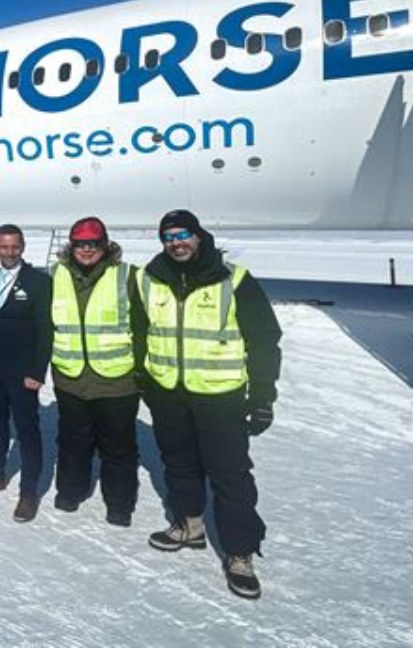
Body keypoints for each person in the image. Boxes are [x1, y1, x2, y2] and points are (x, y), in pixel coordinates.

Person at [132, 209, 281, 600]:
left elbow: (264, 340)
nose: (176, 243)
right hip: (168, 392)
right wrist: (144, 378)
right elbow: (139, 332)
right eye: (168, 237)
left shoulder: (235, 279)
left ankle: (239, 553)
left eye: (183, 235)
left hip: (221, 396)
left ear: (199, 236)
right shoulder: (150, 280)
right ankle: (190, 525)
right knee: (179, 465)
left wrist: (263, 395)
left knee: (230, 475)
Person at [49, 216, 140, 526]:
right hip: (70, 377)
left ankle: (119, 504)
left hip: (116, 380)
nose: (86, 250)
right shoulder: (56, 275)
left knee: (118, 446)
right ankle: (70, 491)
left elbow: (145, 326)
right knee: (73, 440)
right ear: (71, 246)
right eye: (80, 244)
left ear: (105, 244)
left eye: (93, 244)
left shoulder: (128, 276)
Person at [0, 224, 52, 523]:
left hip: (22, 371)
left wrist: (37, 371)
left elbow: (45, 331)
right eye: (4, 247)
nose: (10, 252)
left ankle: (29, 492)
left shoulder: (38, 281)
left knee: (27, 431)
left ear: (23, 246)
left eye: (15, 246)